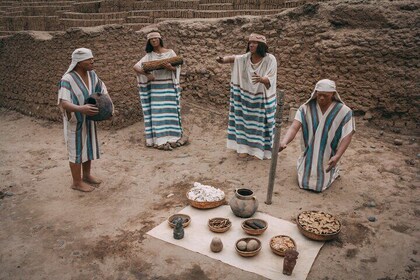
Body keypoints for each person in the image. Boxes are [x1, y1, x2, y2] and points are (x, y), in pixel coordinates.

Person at [279, 79, 355, 192]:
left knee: (321, 181)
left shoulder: (344, 112)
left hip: (328, 155)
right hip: (309, 153)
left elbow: (348, 134)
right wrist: (284, 142)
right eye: (319, 95)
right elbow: (294, 127)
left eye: (326, 96)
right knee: (305, 181)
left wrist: (337, 156)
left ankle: (332, 170)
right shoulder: (305, 109)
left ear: (333, 94)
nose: (322, 98)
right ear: (315, 93)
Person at [216, 33, 277, 160]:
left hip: (261, 98)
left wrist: (262, 79)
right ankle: (244, 147)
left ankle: (259, 150)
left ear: (261, 46)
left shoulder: (270, 59)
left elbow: (271, 76)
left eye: (254, 43)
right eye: (250, 43)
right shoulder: (246, 58)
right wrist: (223, 59)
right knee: (243, 121)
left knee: (260, 125)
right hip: (244, 97)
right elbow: (234, 58)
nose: (251, 45)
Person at [57, 48, 110, 192]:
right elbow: (64, 102)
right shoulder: (67, 79)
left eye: (92, 58)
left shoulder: (92, 75)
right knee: (76, 150)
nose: (92, 61)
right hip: (76, 121)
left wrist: (110, 107)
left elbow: (102, 90)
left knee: (88, 146)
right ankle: (76, 182)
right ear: (79, 62)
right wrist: (81, 109)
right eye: (89, 59)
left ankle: (86, 175)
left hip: (89, 118)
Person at [133, 31, 187, 151]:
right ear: (149, 42)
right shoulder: (149, 56)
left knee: (170, 111)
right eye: (151, 40)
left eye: (156, 39)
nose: (154, 41)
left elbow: (177, 68)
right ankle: (159, 139)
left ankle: (173, 137)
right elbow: (136, 66)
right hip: (156, 89)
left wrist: (170, 68)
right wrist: (147, 74)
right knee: (157, 113)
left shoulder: (170, 52)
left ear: (160, 40)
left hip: (168, 87)